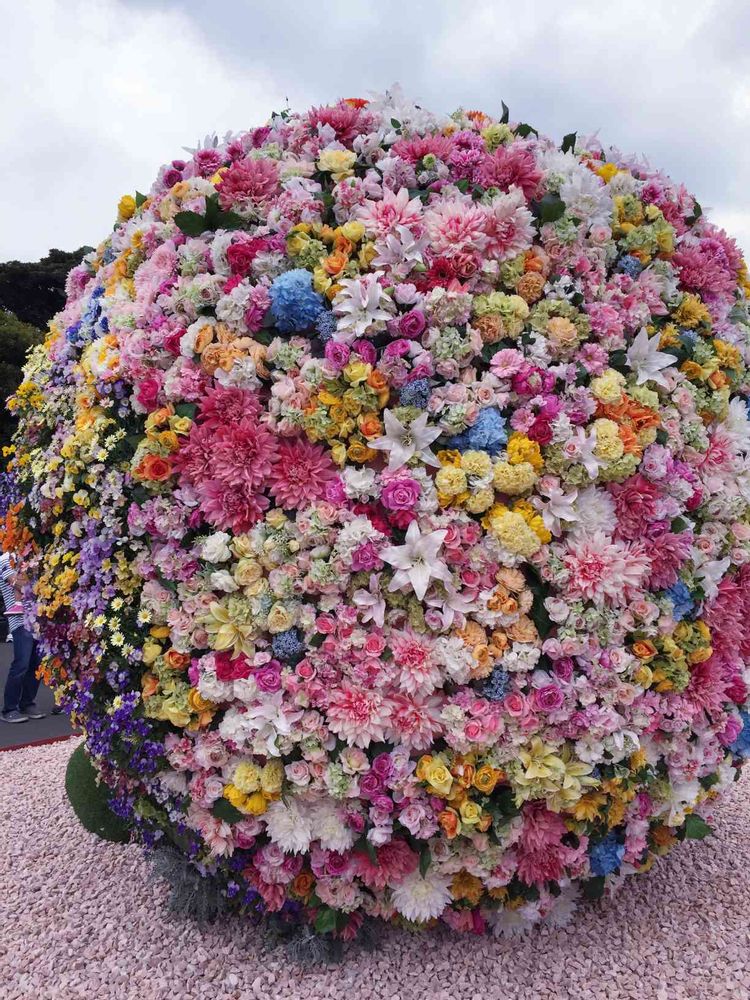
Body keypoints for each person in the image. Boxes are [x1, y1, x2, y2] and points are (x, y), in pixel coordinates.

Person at [0, 551, 45, 724]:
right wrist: (36, 586)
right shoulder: (5, 559)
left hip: (37, 618)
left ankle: (27, 702)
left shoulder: (29, 557)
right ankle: (9, 708)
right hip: (19, 620)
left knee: (36, 663)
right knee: (21, 663)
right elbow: (17, 584)